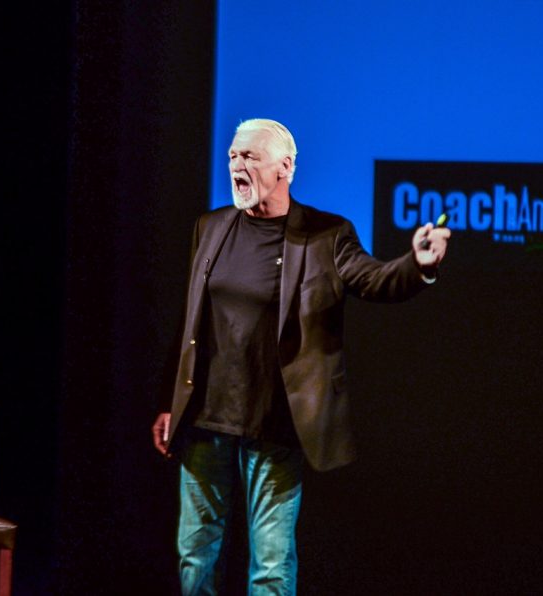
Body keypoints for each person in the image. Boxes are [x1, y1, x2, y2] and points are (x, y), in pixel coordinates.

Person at [152, 118, 450, 595]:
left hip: (275, 425)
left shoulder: (326, 235)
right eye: (232, 155)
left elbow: (374, 280)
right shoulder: (210, 227)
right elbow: (191, 322)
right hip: (205, 423)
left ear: (285, 167)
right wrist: (169, 401)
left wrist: (418, 266)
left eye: (249, 156)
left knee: (270, 565)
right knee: (195, 557)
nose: (236, 165)